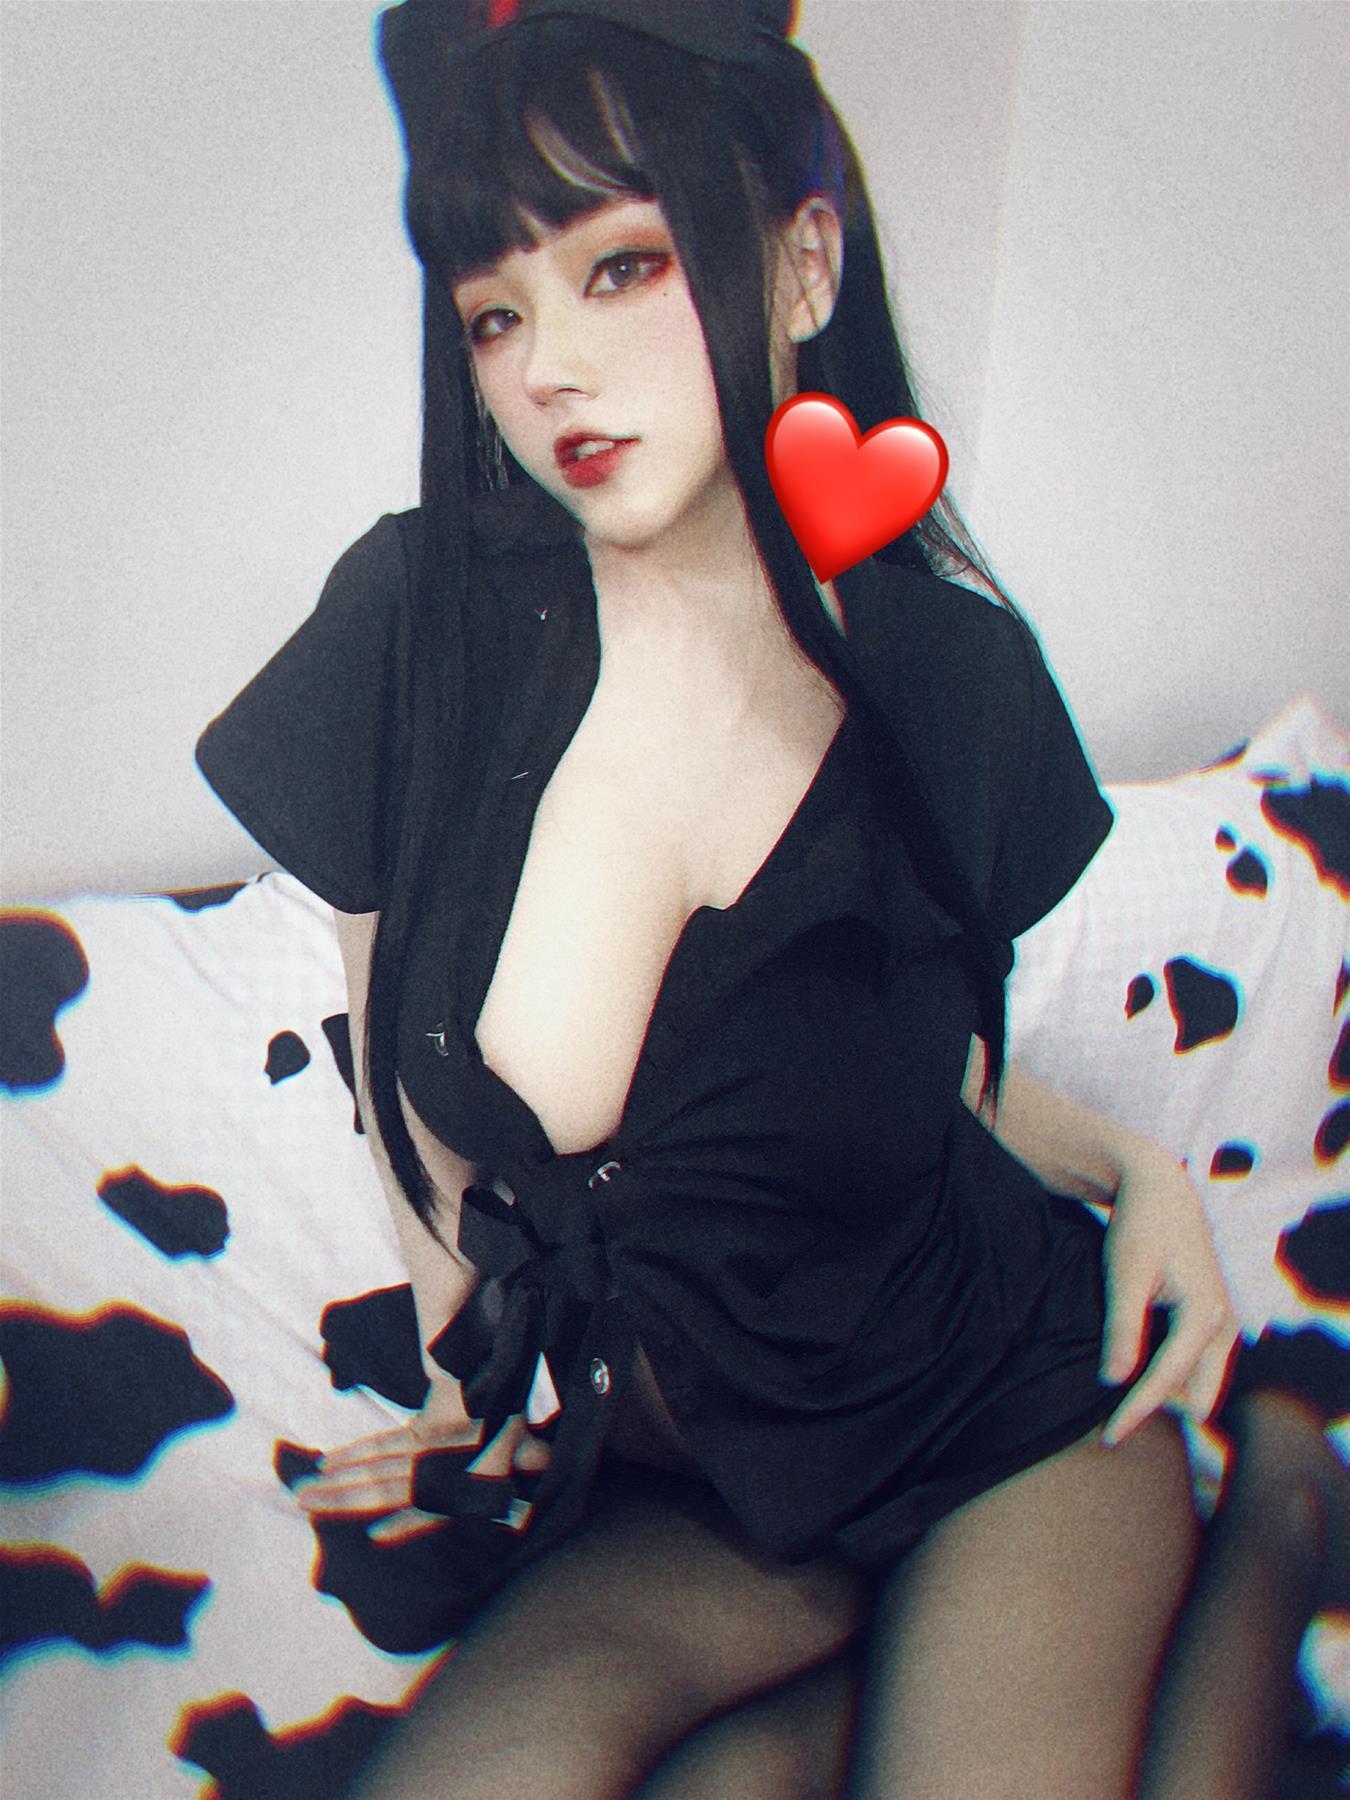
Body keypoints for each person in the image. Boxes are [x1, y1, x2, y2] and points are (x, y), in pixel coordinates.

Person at [195, 3, 1347, 1793]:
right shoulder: (423, 627)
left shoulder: (943, 679)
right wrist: (460, 1373)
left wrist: (1144, 1176)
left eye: (622, 267)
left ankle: (1276, 1498)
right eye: (496, 311)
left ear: (803, 264)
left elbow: (908, 1077)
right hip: (689, 1483)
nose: (548, 366)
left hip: (1000, 1415)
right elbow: (390, 1035)